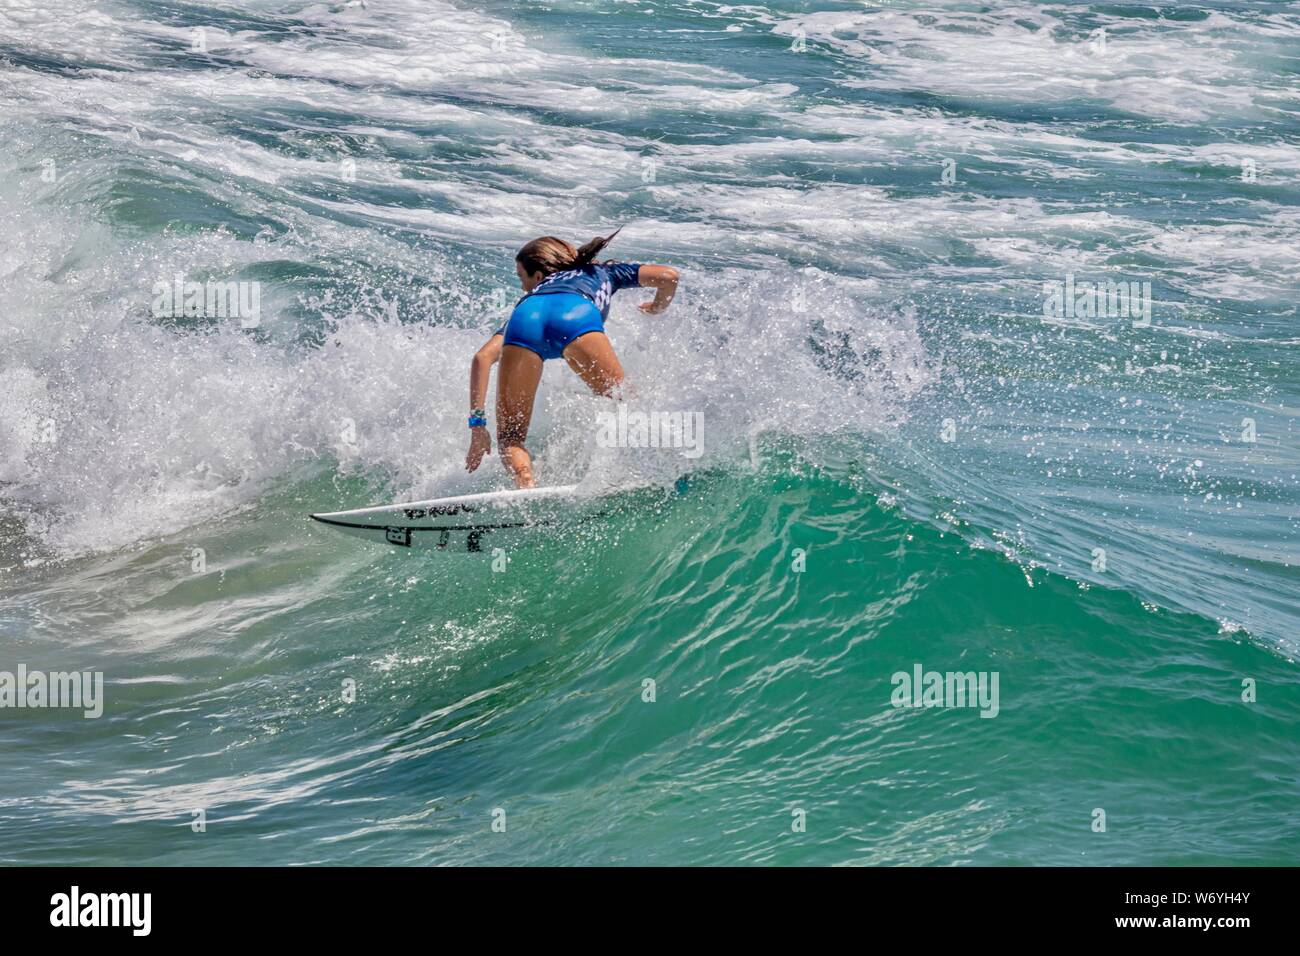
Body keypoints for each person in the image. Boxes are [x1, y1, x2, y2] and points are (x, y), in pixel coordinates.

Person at [464, 230, 680, 488]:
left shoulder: (530, 298)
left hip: (525, 320)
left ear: (540, 276)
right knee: (627, 404)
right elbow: (670, 277)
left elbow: (482, 358)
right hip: (574, 315)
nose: (522, 286)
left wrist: (478, 425)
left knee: (511, 438)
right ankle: (665, 470)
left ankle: (526, 484)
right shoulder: (602, 272)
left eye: (522, 278)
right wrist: (657, 307)